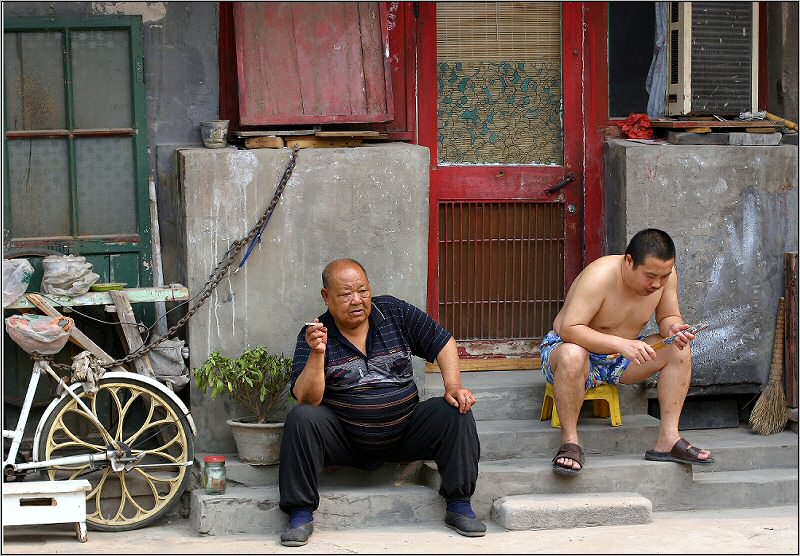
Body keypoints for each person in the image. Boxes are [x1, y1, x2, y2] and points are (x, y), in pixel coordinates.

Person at [278, 258, 486, 546]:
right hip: (346, 440)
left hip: (405, 433)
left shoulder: (393, 312)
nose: (356, 300)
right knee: (301, 417)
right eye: (345, 294)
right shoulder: (314, 334)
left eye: (362, 291)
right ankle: (300, 514)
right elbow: (308, 398)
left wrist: (454, 386)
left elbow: (443, 341)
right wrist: (317, 354)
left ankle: (459, 505)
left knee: (456, 410)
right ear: (327, 297)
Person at [540, 229, 714, 475]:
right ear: (629, 261)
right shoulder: (599, 275)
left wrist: (674, 327)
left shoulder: (665, 278)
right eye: (650, 276)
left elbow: (667, 316)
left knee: (678, 351)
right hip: (574, 352)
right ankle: (570, 443)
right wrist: (620, 344)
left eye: (664, 276)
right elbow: (570, 329)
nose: (657, 284)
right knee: (572, 353)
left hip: (622, 357)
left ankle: (668, 439)